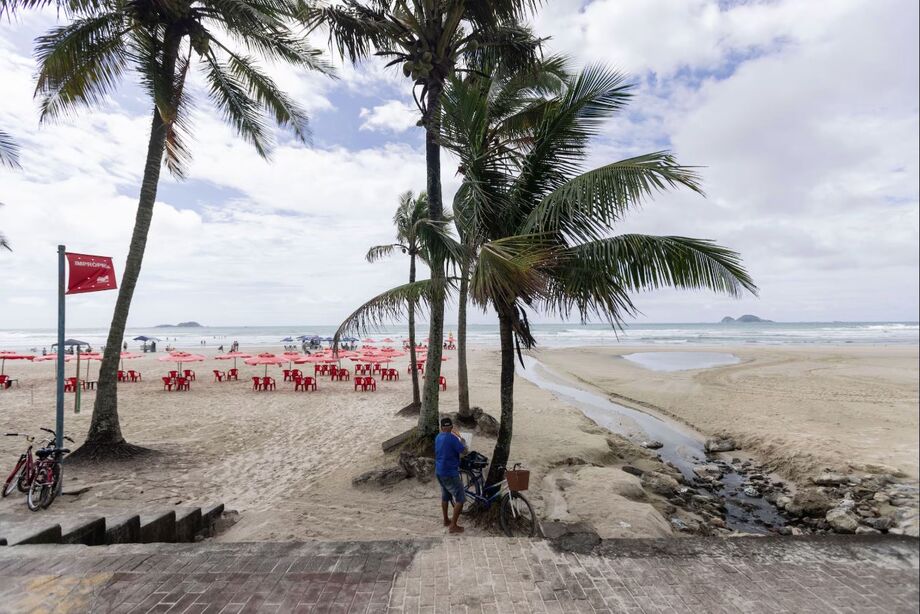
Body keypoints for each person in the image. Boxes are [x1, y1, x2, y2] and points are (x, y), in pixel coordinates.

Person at [435, 416, 468, 533]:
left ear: (441, 427)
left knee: (445, 496)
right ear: (451, 427)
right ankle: (453, 525)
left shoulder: (438, 437)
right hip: (450, 472)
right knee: (460, 499)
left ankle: (446, 520)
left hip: (439, 471)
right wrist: (463, 443)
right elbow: (464, 451)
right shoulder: (453, 439)